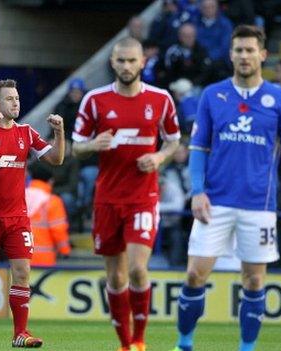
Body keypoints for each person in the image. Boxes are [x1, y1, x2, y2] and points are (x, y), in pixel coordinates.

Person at [170, 25, 281, 351]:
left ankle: (247, 349)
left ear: (263, 55)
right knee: (194, 275)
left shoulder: (279, 100)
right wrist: (198, 190)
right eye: (239, 50)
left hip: (258, 205)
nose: (244, 56)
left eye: (250, 50)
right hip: (214, 202)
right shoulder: (212, 95)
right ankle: (184, 345)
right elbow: (198, 149)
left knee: (254, 281)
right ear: (231, 54)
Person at [72, 37, 181, 351]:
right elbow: (77, 146)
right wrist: (94, 145)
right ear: (113, 63)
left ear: (142, 62)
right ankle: (124, 344)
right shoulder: (95, 100)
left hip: (142, 197)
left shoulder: (161, 100)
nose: (126, 66)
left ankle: (139, 340)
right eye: (121, 61)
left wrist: (159, 158)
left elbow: (173, 141)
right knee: (116, 277)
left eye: (132, 61)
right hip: (107, 198)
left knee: (136, 268)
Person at [0, 79, 64, 348]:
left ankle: (21, 333)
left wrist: (59, 133)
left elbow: (56, 159)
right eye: (9, 99)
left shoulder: (27, 132)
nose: (16, 102)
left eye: (17, 98)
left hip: (17, 217)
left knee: (22, 271)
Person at [25, 161, 71, 267]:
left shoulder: (20, 197)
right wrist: (65, 251)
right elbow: (58, 230)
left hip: (19, 259)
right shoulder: (52, 201)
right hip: (44, 260)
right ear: (50, 181)